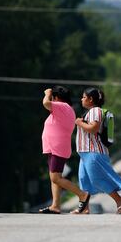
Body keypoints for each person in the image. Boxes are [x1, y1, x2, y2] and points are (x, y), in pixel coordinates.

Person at [74, 87, 121, 214]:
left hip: (93, 152)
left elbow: (93, 128)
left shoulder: (95, 111)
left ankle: (119, 200)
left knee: (96, 179)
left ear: (91, 99)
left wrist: (79, 123)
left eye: (83, 97)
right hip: (85, 153)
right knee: (84, 180)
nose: (81, 99)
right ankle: (84, 208)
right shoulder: (90, 112)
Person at [39, 86, 90, 214]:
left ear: (56, 98)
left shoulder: (63, 106)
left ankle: (82, 195)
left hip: (57, 147)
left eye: (52, 97)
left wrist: (47, 93)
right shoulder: (64, 109)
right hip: (55, 147)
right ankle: (55, 206)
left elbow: (46, 103)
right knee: (55, 177)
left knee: (56, 178)